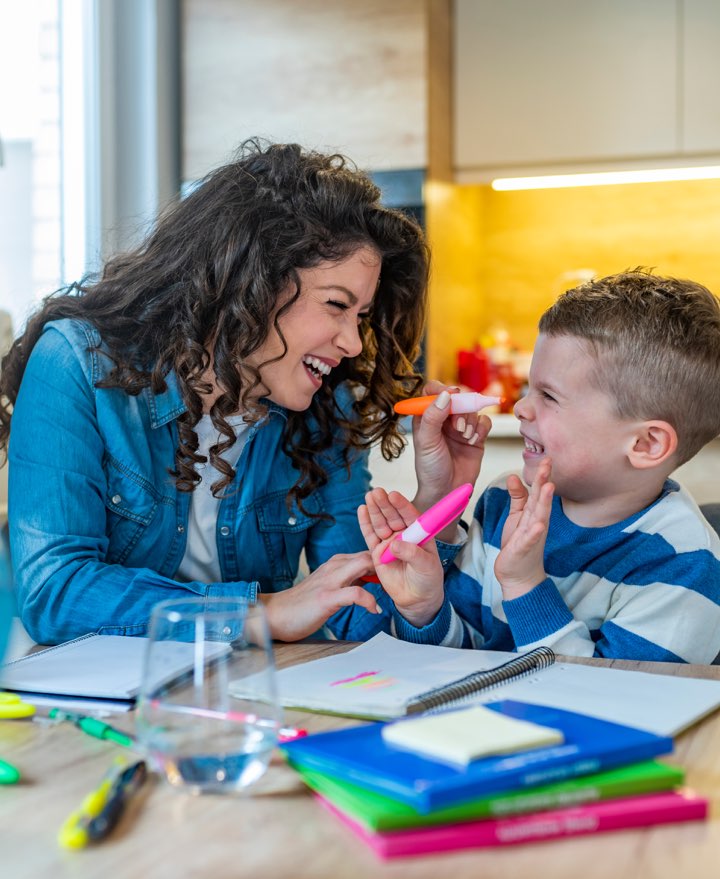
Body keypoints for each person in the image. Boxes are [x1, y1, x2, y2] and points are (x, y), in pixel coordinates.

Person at [0, 140, 486, 646]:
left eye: (360, 316)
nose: (352, 342)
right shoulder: (75, 364)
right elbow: (55, 592)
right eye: (336, 306)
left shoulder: (326, 404)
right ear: (250, 285)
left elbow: (356, 614)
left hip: (257, 701)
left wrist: (434, 504)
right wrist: (260, 614)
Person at [359, 270, 720, 663]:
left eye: (548, 395)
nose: (521, 407)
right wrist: (423, 609)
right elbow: (460, 661)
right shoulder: (503, 502)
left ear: (645, 444)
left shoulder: (685, 565)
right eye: (530, 389)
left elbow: (612, 701)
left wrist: (524, 583)